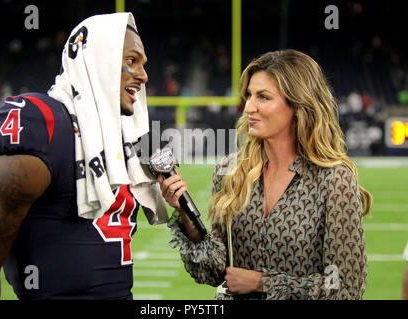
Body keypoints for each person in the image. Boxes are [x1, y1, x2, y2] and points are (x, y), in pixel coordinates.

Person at [0, 12, 168, 300]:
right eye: (131, 61)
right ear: (98, 62)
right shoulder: (44, 125)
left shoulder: (128, 140)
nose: (143, 76)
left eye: (143, 64)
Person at [158, 49, 371, 300]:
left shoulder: (334, 180)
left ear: (297, 104)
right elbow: (213, 271)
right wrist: (185, 212)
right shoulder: (231, 171)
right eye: (249, 95)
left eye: (263, 97)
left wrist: (263, 283)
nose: (248, 107)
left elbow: (346, 289)